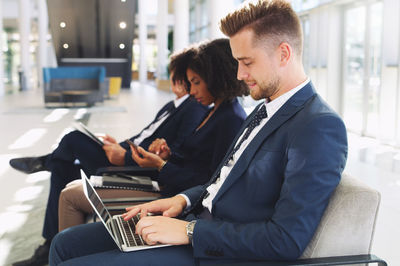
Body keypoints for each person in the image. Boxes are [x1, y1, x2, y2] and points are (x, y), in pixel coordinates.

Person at [50, 0, 348, 265]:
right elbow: (221, 180)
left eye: (247, 63)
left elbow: (286, 240)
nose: (240, 75)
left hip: (216, 249)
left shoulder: (317, 126)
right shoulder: (264, 109)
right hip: (192, 220)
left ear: (284, 53)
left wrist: (190, 231)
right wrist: (182, 200)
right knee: (65, 245)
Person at [10, 50, 208, 266]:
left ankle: (43, 164)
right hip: (125, 154)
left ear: (180, 79)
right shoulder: (171, 106)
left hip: (134, 167)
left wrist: (125, 157)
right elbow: (143, 136)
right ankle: (50, 244)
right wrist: (119, 144)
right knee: (62, 168)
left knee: (73, 138)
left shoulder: (193, 109)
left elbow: (175, 153)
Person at [56, 38, 248, 232]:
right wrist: (167, 155)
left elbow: (210, 181)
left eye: (196, 82)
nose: (192, 91)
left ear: (215, 77)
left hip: (172, 198)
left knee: (70, 195)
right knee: (71, 186)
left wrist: (161, 165)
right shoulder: (214, 111)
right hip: (166, 185)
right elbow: (193, 160)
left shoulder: (230, 118)